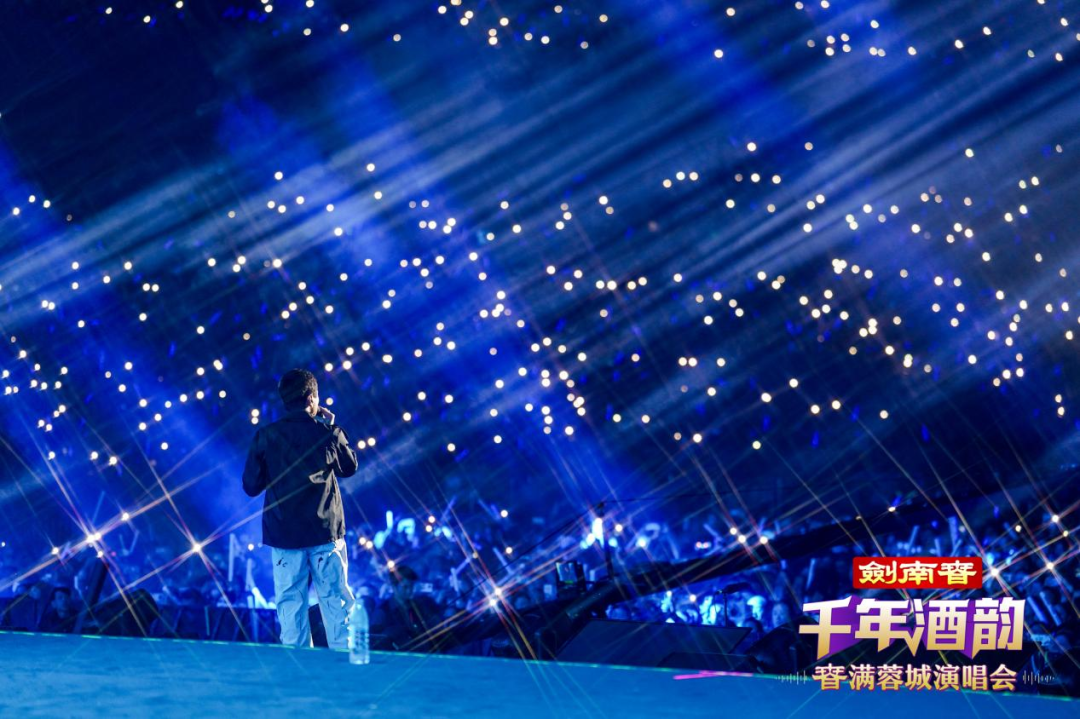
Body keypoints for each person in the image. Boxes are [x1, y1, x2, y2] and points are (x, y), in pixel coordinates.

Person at [242, 369, 359, 650]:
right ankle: (345, 667)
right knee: (336, 601)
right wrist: (331, 428)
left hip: (284, 534)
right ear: (312, 398)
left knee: (291, 605)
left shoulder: (266, 436)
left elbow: (251, 486)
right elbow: (349, 467)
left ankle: (297, 669)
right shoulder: (328, 433)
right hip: (325, 533)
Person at [372, 565, 440, 650]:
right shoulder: (383, 611)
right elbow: (375, 642)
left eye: (411, 586)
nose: (410, 590)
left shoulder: (418, 606)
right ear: (394, 587)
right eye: (405, 587)